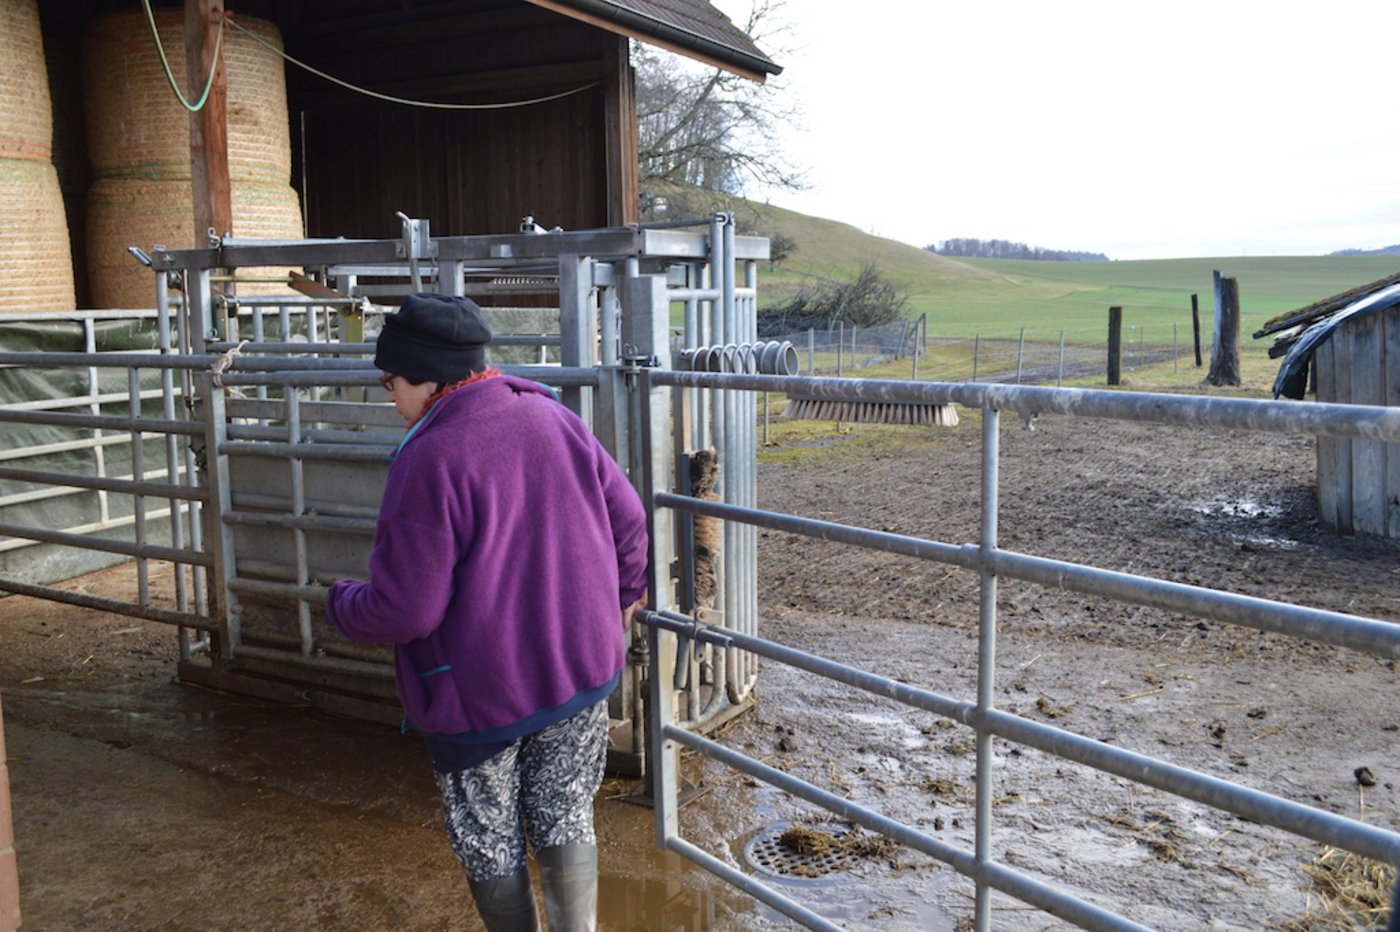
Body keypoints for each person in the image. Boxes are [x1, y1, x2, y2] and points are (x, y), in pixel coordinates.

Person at [325, 293, 649, 931]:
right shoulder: (553, 418)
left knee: (487, 832)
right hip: (579, 670)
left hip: (478, 697)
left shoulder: (430, 457)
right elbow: (630, 523)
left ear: (426, 376)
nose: (391, 399)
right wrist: (612, 611)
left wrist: (340, 603)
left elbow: (406, 610)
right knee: (564, 811)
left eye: (392, 382)